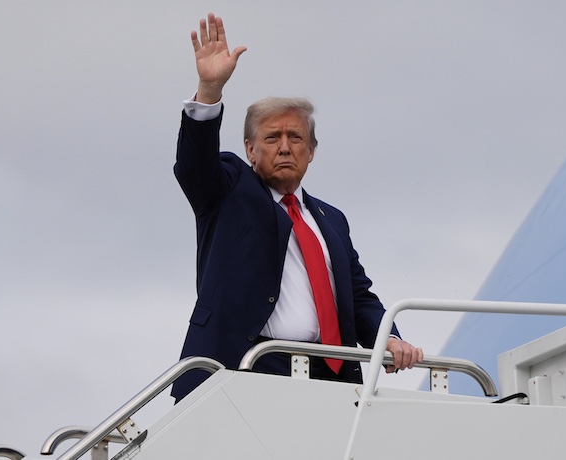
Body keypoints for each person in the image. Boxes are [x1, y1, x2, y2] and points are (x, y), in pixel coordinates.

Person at [172, 13, 423, 402]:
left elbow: (357, 298)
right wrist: (209, 89)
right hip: (245, 369)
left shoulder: (331, 219)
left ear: (311, 151)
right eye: (272, 137)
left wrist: (388, 337)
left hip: (329, 376)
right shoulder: (229, 190)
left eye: (295, 137)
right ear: (250, 150)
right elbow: (194, 166)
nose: (285, 146)